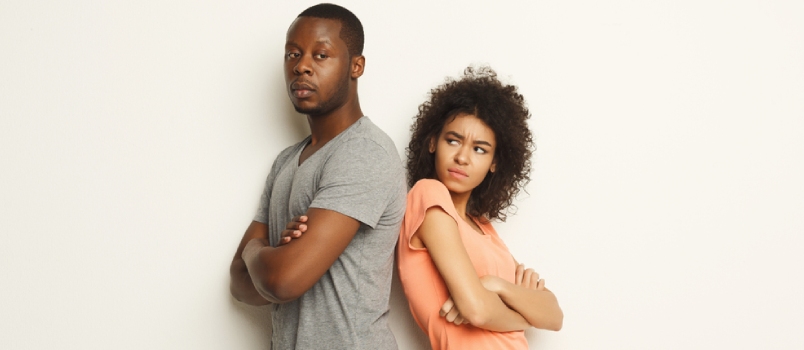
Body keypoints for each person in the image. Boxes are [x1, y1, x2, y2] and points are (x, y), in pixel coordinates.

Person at [228, 4, 406, 350]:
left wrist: (254, 251)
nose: (301, 66)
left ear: (357, 66)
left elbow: (281, 282)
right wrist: (271, 260)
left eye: (320, 54)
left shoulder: (365, 153)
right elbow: (239, 284)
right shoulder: (285, 161)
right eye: (292, 54)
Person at [397, 67, 563, 349]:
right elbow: (476, 310)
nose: (462, 157)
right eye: (453, 140)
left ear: (494, 163)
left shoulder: (483, 228)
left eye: (480, 149)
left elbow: (554, 316)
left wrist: (496, 285)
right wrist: (523, 315)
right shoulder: (428, 195)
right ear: (432, 142)